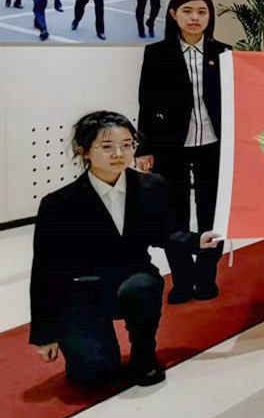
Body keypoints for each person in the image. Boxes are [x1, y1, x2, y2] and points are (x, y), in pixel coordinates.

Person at [30, 111, 222, 387]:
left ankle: (144, 355)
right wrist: (45, 334)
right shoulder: (58, 204)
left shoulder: (151, 186)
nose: (119, 153)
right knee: (93, 377)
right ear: (84, 151)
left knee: (144, 287)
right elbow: (45, 271)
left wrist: (198, 240)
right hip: (81, 293)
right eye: (107, 146)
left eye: (127, 145)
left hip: (132, 279)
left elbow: (165, 233)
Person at [135, 0, 230, 303]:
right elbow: (146, 102)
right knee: (174, 215)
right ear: (174, 14)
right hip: (170, 145)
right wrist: (144, 148)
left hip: (213, 145)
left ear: (209, 17)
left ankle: (206, 276)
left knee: (212, 214)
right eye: (187, 11)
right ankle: (183, 279)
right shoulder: (157, 53)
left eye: (202, 11)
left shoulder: (224, 53)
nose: (195, 18)